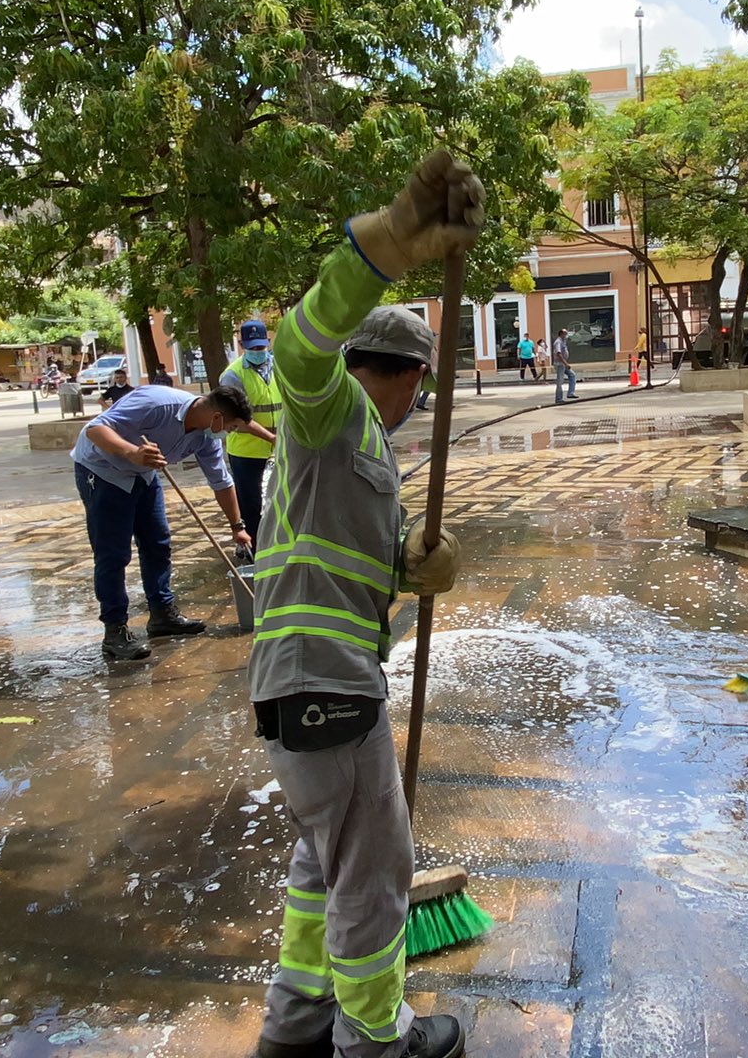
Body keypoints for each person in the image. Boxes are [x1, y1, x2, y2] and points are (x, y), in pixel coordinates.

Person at [248, 151, 474, 1058]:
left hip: (310, 686)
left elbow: (365, 563)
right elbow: (300, 344)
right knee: (375, 872)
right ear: (415, 377)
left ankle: (296, 1024)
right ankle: (380, 1039)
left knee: (323, 862)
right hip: (326, 686)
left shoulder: (361, 448)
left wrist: (414, 561)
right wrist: (382, 246)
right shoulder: (328, 406)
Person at [71, 382, 255, 661]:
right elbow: (95, 430)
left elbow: (221, 481)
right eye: (230, 428)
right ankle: (115, 631)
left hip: (145, 473)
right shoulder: (156, 404)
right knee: (113, 554)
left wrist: (237, 527)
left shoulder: (206, 437)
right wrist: (131, 452)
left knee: (158, 543)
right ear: (217, 418)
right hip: (103, 471)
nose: (228, 434)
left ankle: (161, 614)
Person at [220, 319, 283, 543]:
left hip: (279, 447)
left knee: (282, 500)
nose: (258, 351)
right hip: (246, 451)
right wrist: (272, 437)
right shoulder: (232, 376)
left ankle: (278, 546)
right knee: (250, 505)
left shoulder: (280, 366)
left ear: (268, 341)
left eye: (261, 347)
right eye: (252, 348)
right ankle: (254, 550)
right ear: (241, 344)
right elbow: (238, 418)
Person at [551, 328, 578, 402]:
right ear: (561, 334)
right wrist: (565, 363)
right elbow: (558, 353)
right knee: (560, 381)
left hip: (563, 363)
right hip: (560, 364)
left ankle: (570, 393)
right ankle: (558, 398)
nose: (566, 335)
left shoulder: (563, 341)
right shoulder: (558, 342)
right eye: (565, 334)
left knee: (572, 375)